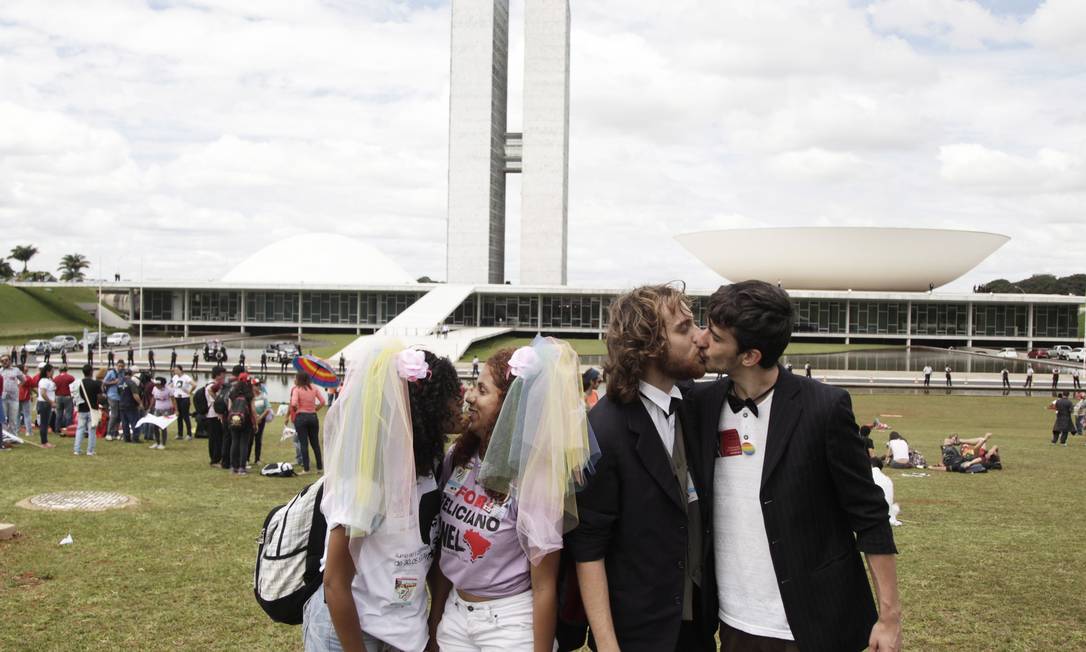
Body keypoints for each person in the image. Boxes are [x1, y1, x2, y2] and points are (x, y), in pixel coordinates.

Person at [690, 280, 901, 652]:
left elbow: (869, 515)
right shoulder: (699, 404)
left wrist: (889, 619)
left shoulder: (824, 407)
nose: (702, 339)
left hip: (819, 621)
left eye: (716, 336)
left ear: (750, 356)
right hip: (735, 623)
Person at [568, 284, 716, 652]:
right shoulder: (604, 428)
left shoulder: (693, 404)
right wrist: (607, 645)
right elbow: (589, 548)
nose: (700, 337)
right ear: (649, 345)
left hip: (696, 628)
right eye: (684, 328)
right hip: (639, 634)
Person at [305, 347, 465, 652]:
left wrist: (432, 626)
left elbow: (426, 547)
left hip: (403, 629)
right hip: (351, 630)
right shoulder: (369, 476)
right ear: (428, 406)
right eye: (451, 396)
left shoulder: (428, 466)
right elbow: (336, 584)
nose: (462, 402)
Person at [430, 344, 577, 652]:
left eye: (482, 390)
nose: (469, 396)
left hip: (510, 624)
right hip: (456, 617)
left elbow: (545, 585)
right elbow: (447, 554)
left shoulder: (533, 477)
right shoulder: (459, 456)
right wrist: (435, 623)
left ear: (509, 405)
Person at [288, 371, 326, 474]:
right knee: (315, 444)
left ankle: (306, 469)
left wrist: (297, 410)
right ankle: (319, 468)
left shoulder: (297, 389)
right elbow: (323, 401)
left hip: (301, 417)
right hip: (313, 417)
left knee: (303, 444)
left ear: (299, 379)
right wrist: (315, 409)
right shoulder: (314, 388)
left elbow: (294, 403)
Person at [224, 373, 257, 474]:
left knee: (234, 442)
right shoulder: (249, 394)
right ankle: (242, 467)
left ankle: (233, 467)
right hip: (246, 420)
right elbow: (253, 410)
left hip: (234, 419)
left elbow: (229, 408)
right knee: (244, 443)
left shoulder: (233, 393)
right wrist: (255, 423)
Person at [73, 364, 102, 456]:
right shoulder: (95, 384)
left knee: (80, 429)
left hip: (81, 408)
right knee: (92, 430)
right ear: (91, 372)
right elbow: (100, 397)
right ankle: (90, 450)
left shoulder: (78, 383)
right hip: (92, 409)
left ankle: (77, 449)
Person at [204, 366, 226, 466]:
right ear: (217, 375)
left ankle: (218, 458)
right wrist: (220, 414)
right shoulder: (210, 386)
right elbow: (214, 401)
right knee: (215, 438)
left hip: (215, 414)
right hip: (214, 414)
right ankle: (214, 460)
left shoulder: (213, 385)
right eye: (222, 375)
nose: (224, 377)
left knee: (218, 437)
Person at [1, 354, 26, 440]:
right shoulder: (0, 371)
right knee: (3, 418)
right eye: (2, 361)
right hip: (3, 398)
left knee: (13, 418)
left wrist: (17, 387)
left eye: (6, 360)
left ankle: (13, 437)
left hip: (14, 398)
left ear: (10, 360)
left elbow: (23, 380)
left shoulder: (16, 370)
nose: (4, 362)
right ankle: (3, 437)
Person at [248, 377, 271, 465]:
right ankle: (246, 458)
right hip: (251, 420)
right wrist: (254, 418)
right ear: (252, 386)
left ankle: (257, 459)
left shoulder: (263, 395)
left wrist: (260, 418)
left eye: (259, 385)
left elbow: (268, 408)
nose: (258, 387)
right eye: (256, 385)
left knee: (258, 439)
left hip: (261, 421)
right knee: (249, 440)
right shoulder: (249, 396)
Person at [102, 360, 126, 440]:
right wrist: (113, 382)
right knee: (114, 414)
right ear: (116, 365)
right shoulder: (111, 373)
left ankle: (115, 432)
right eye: (119, 366)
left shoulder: (123, 373)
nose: (120, 368)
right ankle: (109, 433)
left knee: (119, 416)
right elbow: (104, 382)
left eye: (122, 366)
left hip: (120, 396)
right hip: (112, 395)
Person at [118, 369, 143, 443]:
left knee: (124, 423)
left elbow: (119, 393)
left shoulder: (119, 383)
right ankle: (135, 438)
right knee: (134, 422)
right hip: (131, 405)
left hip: (122, 404)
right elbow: (135, 394)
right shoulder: (131, 383)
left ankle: (127, 438)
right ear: (131, 374)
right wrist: (140, 403)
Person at [149, 377, 175, 449]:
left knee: (163, 426)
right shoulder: (155, 388)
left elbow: (173, 399)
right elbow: (153, 398)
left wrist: (176, 410)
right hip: (157, 409)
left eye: (158, 384)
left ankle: (163, 444)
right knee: (155, 426)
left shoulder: (169, 389)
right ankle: (157, 442)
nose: (156, 385)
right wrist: (150, 407)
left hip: (166, 409)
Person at [171, 364, 195, 440]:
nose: (175, 371)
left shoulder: (186, 377)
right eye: (174, 370)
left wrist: (190, 392)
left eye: (177, 370)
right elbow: (172, 386)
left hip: (184, 398)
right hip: (176, 398)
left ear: (181, 370)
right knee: (179, 417)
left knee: (185, 416)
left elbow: (194, 385)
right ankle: (180, 434)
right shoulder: (174, 377)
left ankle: (189, 434)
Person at [36, 364, 57, 448]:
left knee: (46, 423)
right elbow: (43, 393)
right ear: (48, 372)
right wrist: (51, 402)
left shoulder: (48, 380)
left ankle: (45, 441)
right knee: (44, 423)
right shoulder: (44, 381)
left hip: (46, 403)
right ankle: (44, 442)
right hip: (44, 403)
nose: (53, 373)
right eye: (52, 371)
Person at [52, 365, 76, 434]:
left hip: (58, 397)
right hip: (67, 396)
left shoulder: (56, 378)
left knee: (59, 414)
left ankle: (57, 429)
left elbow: (54, 388)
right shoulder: (70, 378)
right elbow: (73, 387)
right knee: (68, 414)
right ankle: (69, 429)